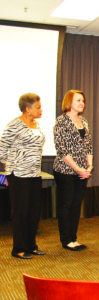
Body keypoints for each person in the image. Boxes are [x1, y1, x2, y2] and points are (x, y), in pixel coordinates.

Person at [0, 93, 46, 259]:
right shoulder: (14, 124)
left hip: (34, 173)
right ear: (28, 109)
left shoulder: (36, 124)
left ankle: (31, 246)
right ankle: (18, 249)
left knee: (34, 211)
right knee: (21, 212)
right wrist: (8, 166)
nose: (41, 110)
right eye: (38, 107)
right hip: (18, 174)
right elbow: (2, 148)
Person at [53, 90, 93, 251]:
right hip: (65, 170)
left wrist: (89, 167)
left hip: (82, 171)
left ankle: (73, 238)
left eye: (83, 100)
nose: (81, 103)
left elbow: (89, 146)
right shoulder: (61, 121)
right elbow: (61, 150)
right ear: (69, 102)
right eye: (78, 100)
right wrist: (78, 169)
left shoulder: (84, 121)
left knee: (76, 204)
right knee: (67, 204)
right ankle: (66, 239)